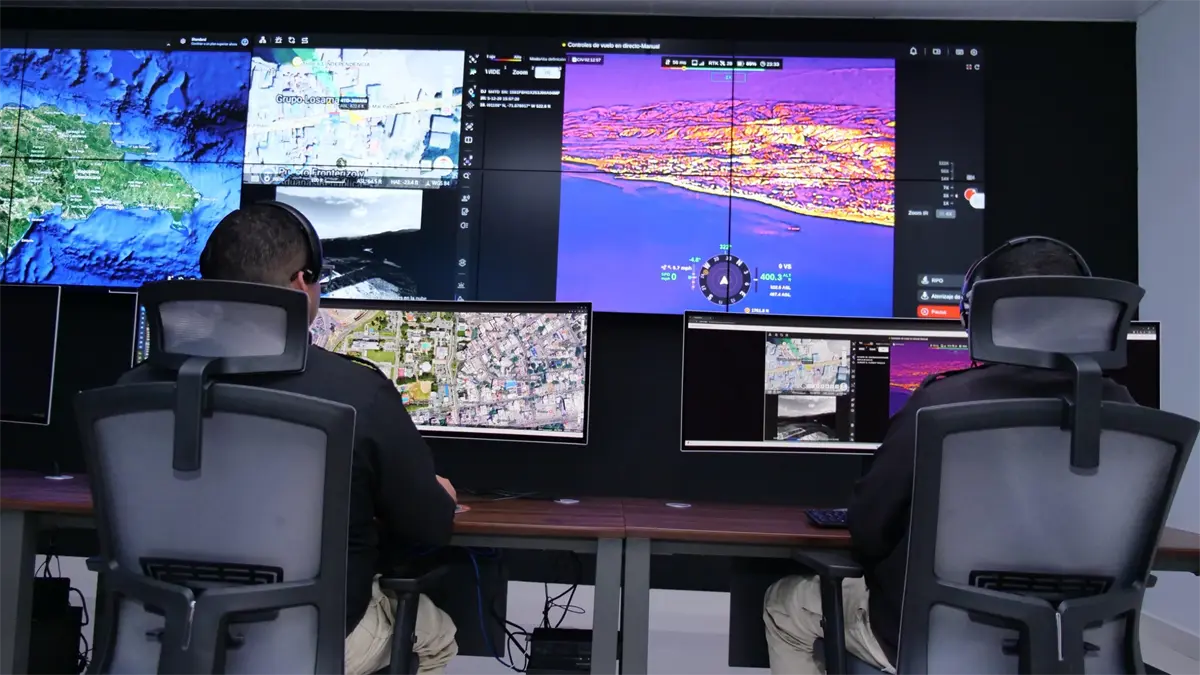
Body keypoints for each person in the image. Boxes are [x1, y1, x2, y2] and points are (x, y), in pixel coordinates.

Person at [761, 238, 1136, 675]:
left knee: (783, 605)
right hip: (1073, 646)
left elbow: (869, 529)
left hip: (938, 641)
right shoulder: (1125, 412)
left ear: (975, 315)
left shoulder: (941, 403)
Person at [119, 204, 460, 675]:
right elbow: (427, 528)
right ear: (302, 282)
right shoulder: (357, 392)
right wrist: (435, 497)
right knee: (436, 636)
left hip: (165, 637)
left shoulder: (133, 391)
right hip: (305, 641)